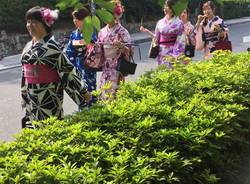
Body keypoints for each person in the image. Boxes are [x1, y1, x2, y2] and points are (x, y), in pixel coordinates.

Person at [21, 6, 92, 128]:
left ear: (45, 24)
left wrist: (83, 91)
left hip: (49, 96)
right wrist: (24, 94)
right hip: (31, 98)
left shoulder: (52, 47)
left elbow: (68, 71)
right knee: (34, 132)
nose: (30, 25)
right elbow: (24, 73)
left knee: (50, 130)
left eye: (34, 22)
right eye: (28, 21)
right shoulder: (28, 45)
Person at [97, 0, 132, 100]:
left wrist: (122, 46)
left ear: (115, 15)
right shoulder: (102, 31)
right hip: (106, 67)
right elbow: (99, 50)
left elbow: (129, 50)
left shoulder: (122, 31)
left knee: (116, 96)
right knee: (104, 94)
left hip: (117, 67)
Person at [66, 8, 97, 107]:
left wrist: (82, 44)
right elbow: (69, 50)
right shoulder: (74, 34)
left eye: (78, 18)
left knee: (90, 89)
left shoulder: (90, 31)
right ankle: (83, 112)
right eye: (74, 18)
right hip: (77, 65)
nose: (75, 21)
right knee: (80, 90)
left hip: (88, 65)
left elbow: (95, 46)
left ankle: (94, 110)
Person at [140, 0, 185, 68]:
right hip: (161, 52)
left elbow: (180, 40)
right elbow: (156, 38)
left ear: (171, 8)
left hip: (173, 52)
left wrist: (175, 54)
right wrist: (146, 31)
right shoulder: (160, 22)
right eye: (164, 7)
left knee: (172, 72)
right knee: (162, 72)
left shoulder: (179, 23)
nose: (164, 9)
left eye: (166, 7)